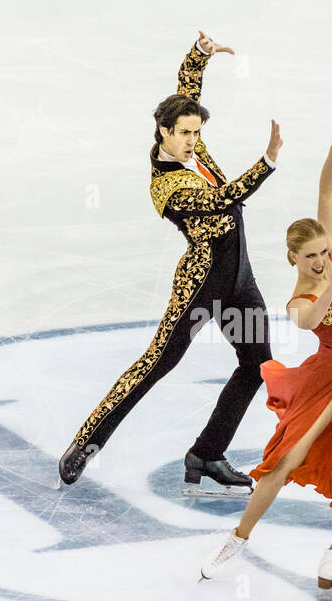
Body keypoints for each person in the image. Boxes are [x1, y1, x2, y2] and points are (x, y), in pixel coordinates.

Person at [58, 31, 282, 492]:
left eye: (197, 132)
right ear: (164, 132)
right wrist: (267, 161)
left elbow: (188, 89)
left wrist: (199, 54)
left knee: (257, 365)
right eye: (184, 133)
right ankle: (87, 441)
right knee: (157, 363)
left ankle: (206, 454)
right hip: (201, 286)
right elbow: (224, 198)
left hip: (239, 278)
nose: (193, 142)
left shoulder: (193, 143)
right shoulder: (166, 186)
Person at [199, 140, 332, 592]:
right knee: (283, 463)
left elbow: (326, 194)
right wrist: (330, 286)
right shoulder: (300, 298)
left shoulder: (331, 255)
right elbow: (310, 319)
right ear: (293, 259)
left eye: (324, 252)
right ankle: (236, 540)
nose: (322, 261)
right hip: (328, 379)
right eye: (310, 257)